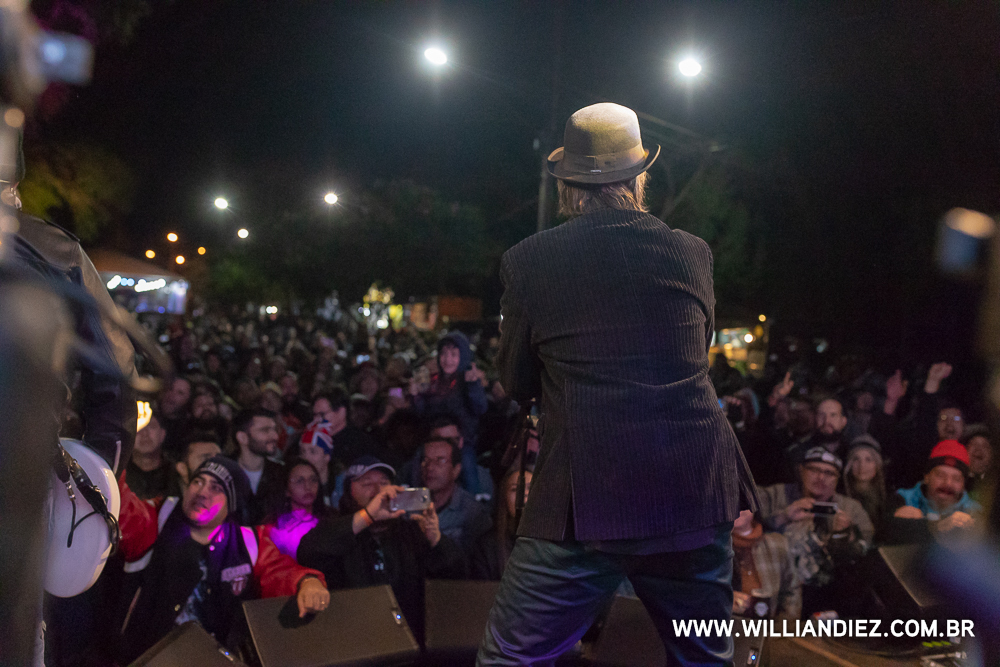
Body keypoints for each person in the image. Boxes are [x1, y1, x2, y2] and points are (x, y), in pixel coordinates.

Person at [477, 102, 758, 666]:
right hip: (692, 487)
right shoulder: (692, 252)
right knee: (705, 660)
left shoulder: (529, 260)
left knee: (509, 659)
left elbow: (517, 380)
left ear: (568, 185)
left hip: (588, 494)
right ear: (638, 177)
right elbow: (690, 351)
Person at [116, 455, 330, 663]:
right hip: (149, 658)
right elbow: (121, 507)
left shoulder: (248, 542)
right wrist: (111, 461)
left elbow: (281, 571)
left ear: (231, 504)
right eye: (198, 482)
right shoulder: (159, 516)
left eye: (216, 488)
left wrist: (307, 582)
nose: (202, 492)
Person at [297, 456, 465, 643]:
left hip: (410, 641)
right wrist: (368, 515)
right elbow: (308, 552)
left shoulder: (411, 530)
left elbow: (457, 580)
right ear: (349, 490)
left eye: (384, 483)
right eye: (367, 483)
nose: (378, 491)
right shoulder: (336, 528)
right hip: (355, 639)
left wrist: (436, 540)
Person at [757, 447, 873, 616]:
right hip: (778, 585)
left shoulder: (851, 508)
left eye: (829, 473)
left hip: (830, 594)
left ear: (837, 478)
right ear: (801, 470)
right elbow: (745, 525)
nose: (821, 478)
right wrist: (783, 517)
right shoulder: (776, 495)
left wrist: (844, 535)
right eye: (814, 470)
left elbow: (868, 550)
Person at [410, 331, 489, 496]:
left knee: (467, 465)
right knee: (418, 464)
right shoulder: (433, 381)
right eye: (444, 354)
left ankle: (475, 499)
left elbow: (480, 408)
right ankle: (415, 500)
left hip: (461, 441)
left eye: (454, 355)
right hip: (435, 440)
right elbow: (422, 414)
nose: (447, 359)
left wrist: (473, 386)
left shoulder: (468, 379)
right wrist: (416, 396)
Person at [886, 440, 983, 544]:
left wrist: (922, 525)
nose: (948, 483)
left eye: (956, 479)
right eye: (941, 475)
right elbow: (883, 531)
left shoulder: (976, 512)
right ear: (927, 477)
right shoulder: (903, 499)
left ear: (963, 484)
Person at [419, 437, 492, 554]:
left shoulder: (473, 512)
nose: (430, 467)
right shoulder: (411, 505)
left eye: (440, 461)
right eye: (425, 460)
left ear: (456, 470)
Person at [730, 510, 801, 623]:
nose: (738, 509)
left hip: (770, 628)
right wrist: (726, 599)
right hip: (726, 628)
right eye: (733, 504)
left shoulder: (778, 544)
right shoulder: (712, 549)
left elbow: (792, 591)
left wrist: (782, 628)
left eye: (743, 504)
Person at [260, 458, 334, 559]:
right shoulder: (272, 528)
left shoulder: (332, 519)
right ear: (286, 489)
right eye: (299, 481)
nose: (308, 487)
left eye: (313, 480)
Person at [470, 468, 533, 581]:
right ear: (504, 497)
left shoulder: (554, 543)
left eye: (530, 488)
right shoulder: (487, 546)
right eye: (515, 489)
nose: (524, 494)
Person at [233, 408, 284, 525]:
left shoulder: (281, 473)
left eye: (274, 430)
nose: (275, 436)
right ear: (242, 437)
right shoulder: (224, 473)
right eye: (265, 430)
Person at [841, 434, 888, 539]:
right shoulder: (840, 497)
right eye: (856, 459)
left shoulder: (888, 499)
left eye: (868, 460)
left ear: (877, 465)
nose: (862, 465)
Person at [126, 410, 176, 500]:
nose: (144, 433)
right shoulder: (118, 470)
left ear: (162, 434)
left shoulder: (174, 476)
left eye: (151, 426)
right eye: (139, 426)